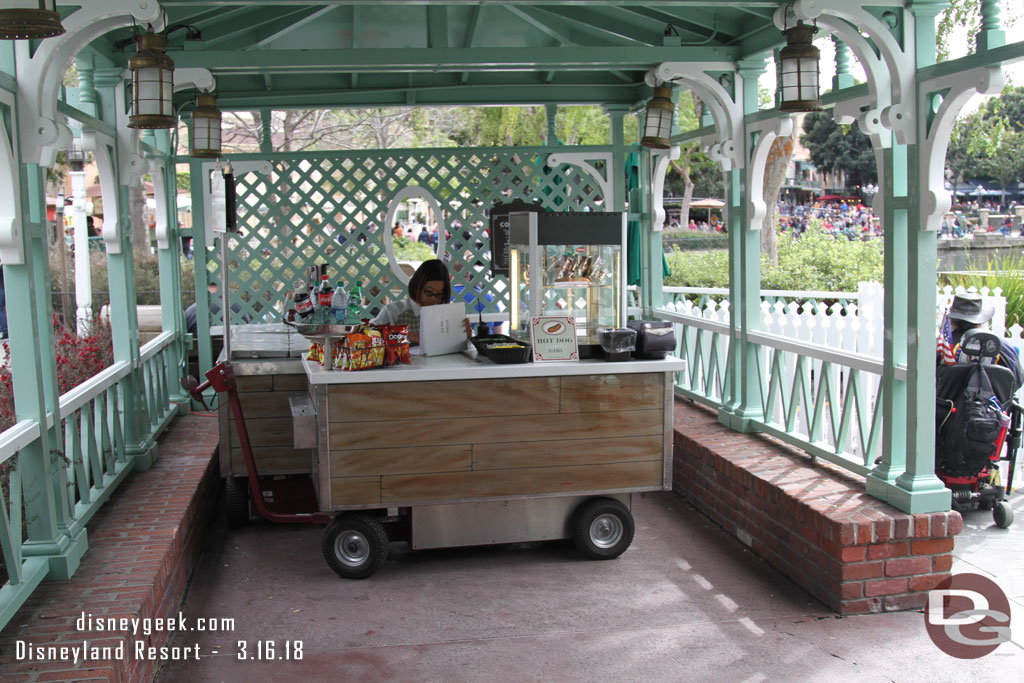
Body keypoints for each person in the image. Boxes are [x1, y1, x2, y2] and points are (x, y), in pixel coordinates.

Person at [370, 259, 470, 345]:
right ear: (417, 286)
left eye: (439, 294)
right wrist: (404, 335)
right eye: (429, 292)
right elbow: (370, 336)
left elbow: (465, 344)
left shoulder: (450, 311)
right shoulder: (394, 311)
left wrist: (466, 336)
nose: (433, 298)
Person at [938, 292, 1024, 390]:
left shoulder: (942, 346)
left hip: (947, 404)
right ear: (981, 319)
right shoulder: (1002, 346)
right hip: (995, 404)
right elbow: (1017, 381)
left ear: (952, 320)